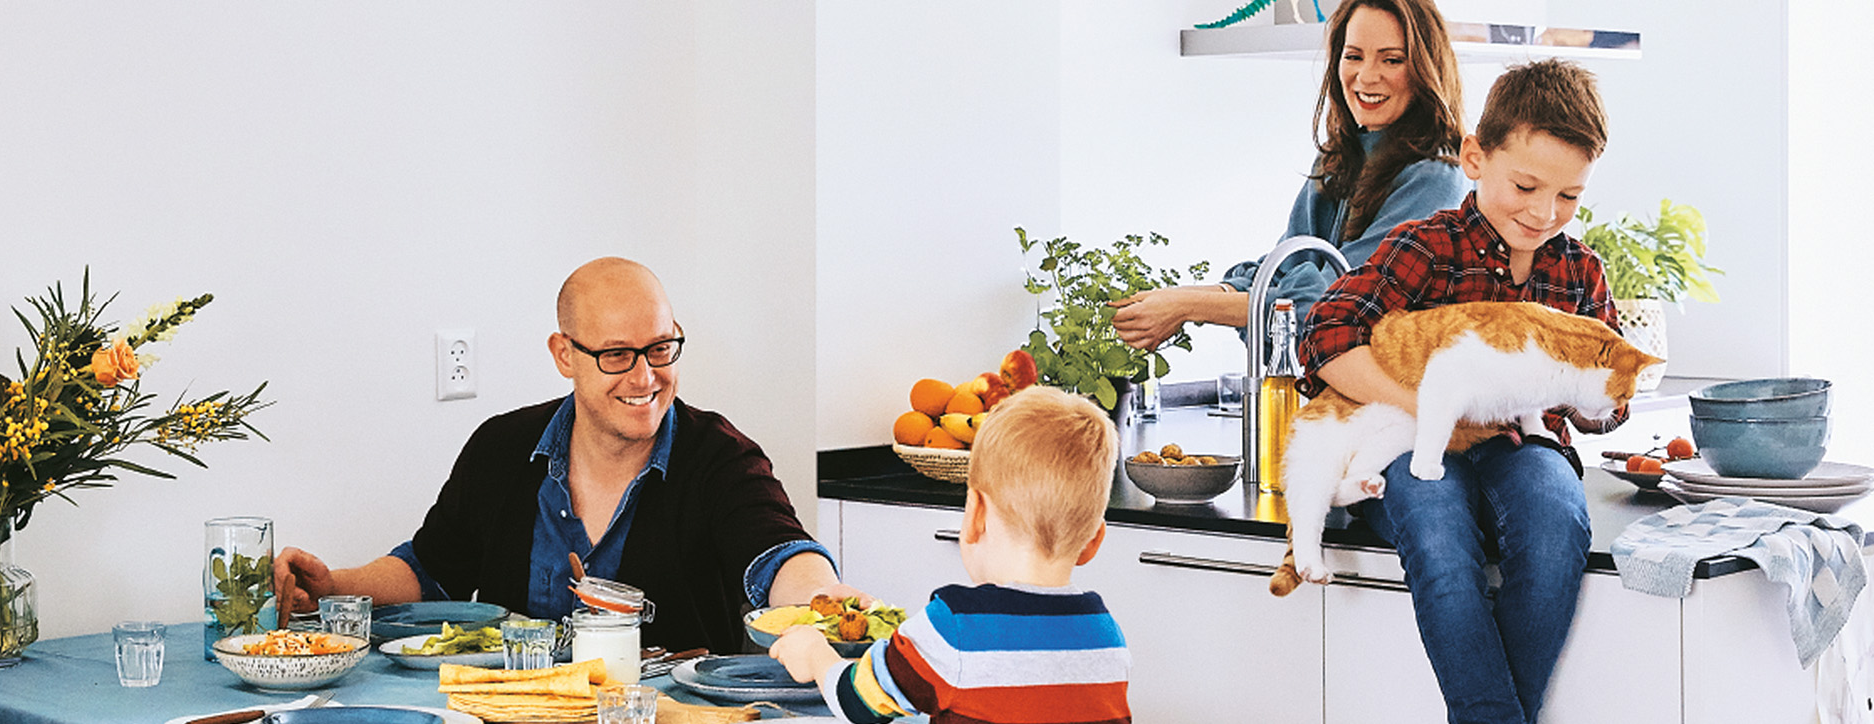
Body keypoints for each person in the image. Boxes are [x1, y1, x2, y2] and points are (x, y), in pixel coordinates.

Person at [274, 257, 858, 653]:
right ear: (564, 353)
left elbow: (777, 551)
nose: (645, 376)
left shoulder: (719, 458)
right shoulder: (501, 447)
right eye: (617, 355)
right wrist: (333, 586)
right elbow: (431, 570)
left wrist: (822, 599)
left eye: (660, 347)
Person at [1299, 59, 1619, 723]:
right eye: (1527, 185)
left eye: (1568, 198)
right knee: (1440, 540)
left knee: (1556, 525)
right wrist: (1429, 410)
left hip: (1522, 445)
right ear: (1476, 156)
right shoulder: (1427, 246)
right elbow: (1326, 333)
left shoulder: (1580, 271)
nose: (1543, 212)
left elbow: (1603, 413)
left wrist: (1603, 400)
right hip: (1415, 440)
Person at [1109, 0, 1467, 349]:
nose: (1366, 76)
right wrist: (1177, 299)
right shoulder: (1341, 158)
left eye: (1392, 60)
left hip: (1400, 399)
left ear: (1425, 68)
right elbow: (1283, 269)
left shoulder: (1436, 177)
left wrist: (1188, 307)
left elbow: (1331, 303)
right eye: (1353, 56)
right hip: (1337, 396)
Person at [770, 386, 1131, 724]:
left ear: (976, 514)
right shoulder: (1107, 635)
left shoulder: (953, 624)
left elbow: (857, 702)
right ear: (1093, 540)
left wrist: (815, 655)